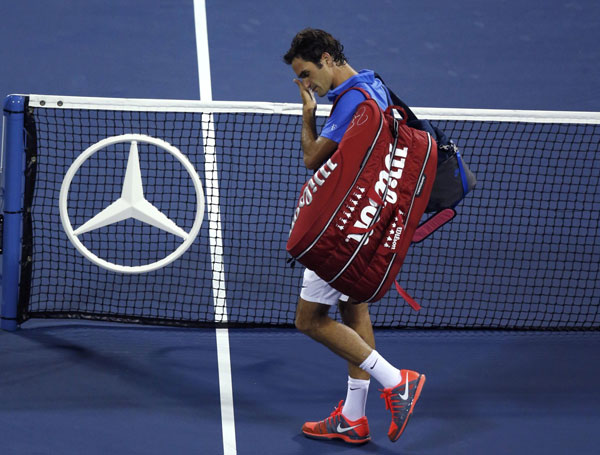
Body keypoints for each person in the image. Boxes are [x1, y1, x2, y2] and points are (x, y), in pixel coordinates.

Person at [283, 28, 426, 445]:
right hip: (372, 220)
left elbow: (313, 158)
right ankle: (353, 418)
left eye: (308, 74)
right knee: (353, 309)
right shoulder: (374, 85)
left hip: (343, 228)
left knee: (309, 319)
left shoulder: (350, 102)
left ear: (327, 58)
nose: (307, 84)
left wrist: (308, 114)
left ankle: (397, 381)